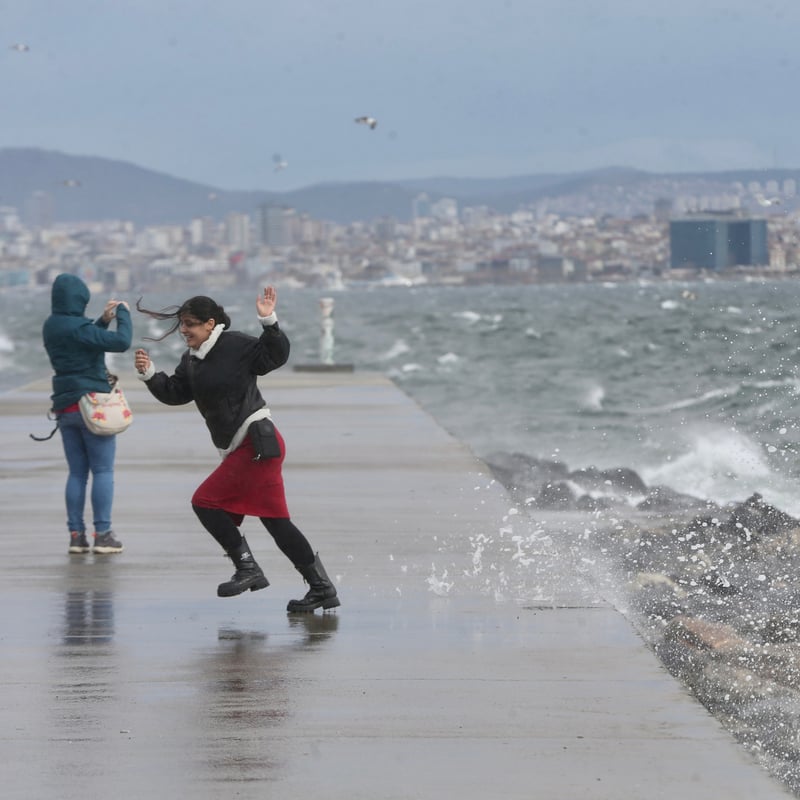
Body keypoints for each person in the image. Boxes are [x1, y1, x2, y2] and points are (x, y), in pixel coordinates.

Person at [134, 286, 339, 613]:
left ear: (209, 323)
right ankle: (321, 588)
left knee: (205, 502)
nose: (183, 330)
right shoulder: (192, 360)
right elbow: (175, 393)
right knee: (277, 523)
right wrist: (149, 375)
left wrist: (268, 320)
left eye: (189, 324)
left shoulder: (236, 344)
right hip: (245, 448)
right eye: (182, 324)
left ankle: (248, 568)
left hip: (256, 443)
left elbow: (276, 355)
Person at [42, 273, 132, 554]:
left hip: (65, 406)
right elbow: (121, 342)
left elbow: (83, 341)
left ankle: (76, 535)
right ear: (81, 299)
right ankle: (103, 534)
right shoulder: (78, 327)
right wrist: (123, 315)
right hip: (92, 406)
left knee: (77, 473)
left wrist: (102, 321)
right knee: (103, 470)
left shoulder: (52, 326)